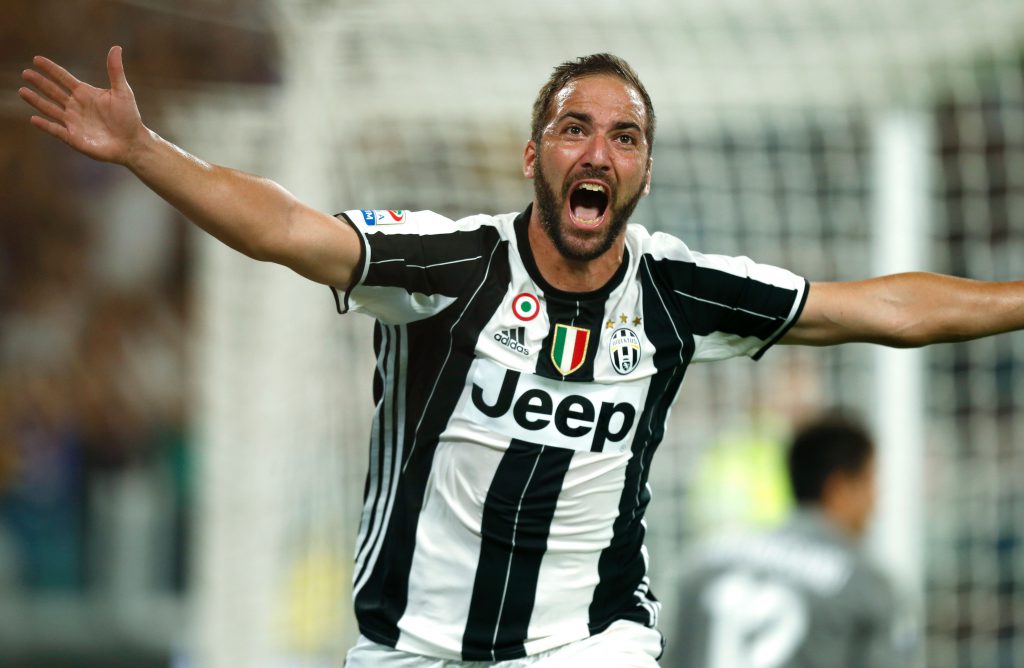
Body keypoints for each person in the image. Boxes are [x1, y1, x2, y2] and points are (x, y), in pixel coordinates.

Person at [18, 47, 1024, 667]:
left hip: (588, 643)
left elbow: (881, 307)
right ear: (532, 152)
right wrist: (147, 150)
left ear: (641, 169)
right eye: (573, 127)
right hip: (408, 643)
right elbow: (287, 227)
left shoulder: (676, 290)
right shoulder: (446, 263)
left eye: (624, 136)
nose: (598, 151)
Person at [664, 412, 915, 668]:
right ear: (840, 488)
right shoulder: (865, 583)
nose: (875, 501)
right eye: (870, 483)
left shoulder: (704, 561)